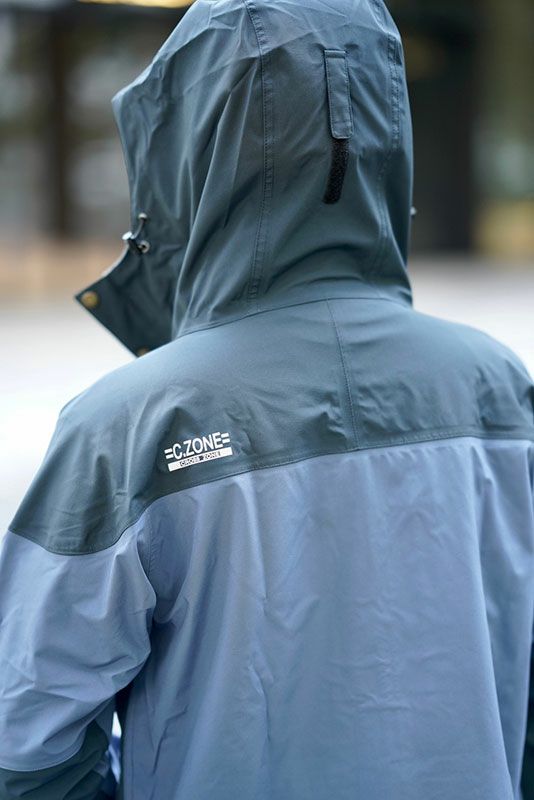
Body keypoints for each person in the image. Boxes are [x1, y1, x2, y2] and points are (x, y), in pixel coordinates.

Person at [0, 0, 533, 798]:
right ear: (388, 132)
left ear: (179, 150)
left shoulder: (130, 425)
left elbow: (27, 746)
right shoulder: (502, 388)